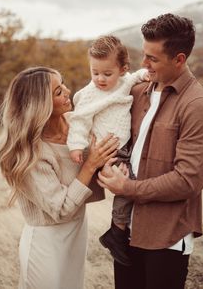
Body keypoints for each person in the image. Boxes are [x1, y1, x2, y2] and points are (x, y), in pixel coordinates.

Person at [98, 13, 203, 289]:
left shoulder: (197, 103)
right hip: (125, 232)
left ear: (179, 59)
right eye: (144, 54)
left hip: (167, 237)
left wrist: (127, 188)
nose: (143, 64)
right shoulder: (137, 92)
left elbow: (188, 180)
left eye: (153, 58)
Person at [0, 66, 120, 289]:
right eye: (57, 91)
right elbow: (60, 209)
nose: (67, 91)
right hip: (46, 242)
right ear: (40, 104)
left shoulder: (78, 123)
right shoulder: (29, 153)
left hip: (76, 232)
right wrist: (90, 164)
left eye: (63, 84)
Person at [67, 35, 148, 265]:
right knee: (126, 183)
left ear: (122, 69)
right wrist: (75, 145)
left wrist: (146, 75)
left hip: (125, 147)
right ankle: (117, 231)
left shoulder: (125, 81)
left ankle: (118, 230)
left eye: (107, 73)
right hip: (106, 151)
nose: (100, 79)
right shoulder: (89, 94)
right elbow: (80, 120)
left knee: (133, 181)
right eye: (95, 72)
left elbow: (137, 77)